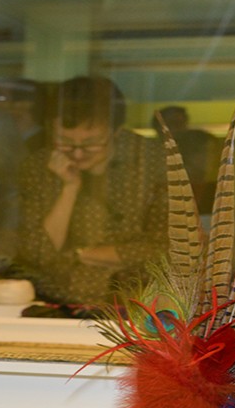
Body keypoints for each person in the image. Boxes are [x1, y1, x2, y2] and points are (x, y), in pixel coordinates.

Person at [9, 76, 167, 306]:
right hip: (58, 301)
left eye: (92, 143)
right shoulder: (38, 167)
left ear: (116, 132)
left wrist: (79, 254)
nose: (78, 154)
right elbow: (39, 254)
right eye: (64, 141)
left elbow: (168, 249)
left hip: (140, 303)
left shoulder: (152, 162)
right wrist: (69, 188)